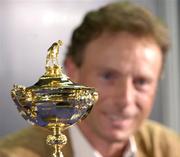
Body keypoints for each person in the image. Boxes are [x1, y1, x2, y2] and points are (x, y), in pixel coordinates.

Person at [0, 1, 180, 157]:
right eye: (108, 76)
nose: (125, 100)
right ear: (72, 72)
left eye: (141, 82)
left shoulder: (172, 149)